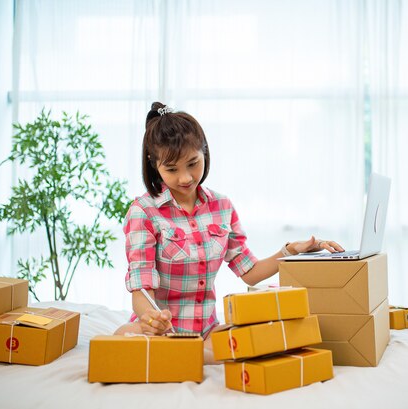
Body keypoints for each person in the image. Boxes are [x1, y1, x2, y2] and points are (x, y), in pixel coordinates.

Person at [114, 102, 344, 361]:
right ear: (154, 165)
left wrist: (292, 251)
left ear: (204, 153)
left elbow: (250, 273)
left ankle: (193, 353)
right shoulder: (143, 211)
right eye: (172, 169)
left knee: (268, 341)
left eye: (192, 163)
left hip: (208, 332)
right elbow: (141, 293)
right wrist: (153, 318)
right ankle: (183, 352)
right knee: (126, 337)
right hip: (161, 333)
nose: (186, 178)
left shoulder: (222, 207)